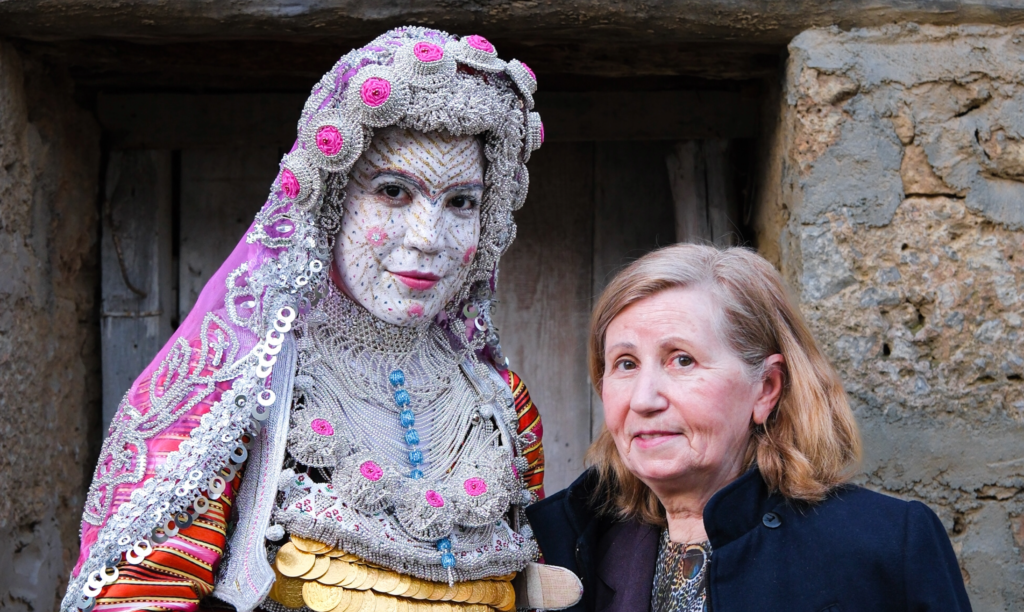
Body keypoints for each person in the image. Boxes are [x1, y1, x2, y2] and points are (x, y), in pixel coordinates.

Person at [63, 27, 554, 612]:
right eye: (393, 192)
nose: (429, 239)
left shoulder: (500, 403)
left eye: (461, 202)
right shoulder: (234, 384)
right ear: (330, 200)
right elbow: (139, 595)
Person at [526, 244, 972, 612]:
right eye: (625, 363)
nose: (644, 399)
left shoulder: (888, 546)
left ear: (766, 388)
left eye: (682, 360)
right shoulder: (565, 553)